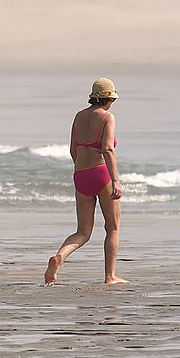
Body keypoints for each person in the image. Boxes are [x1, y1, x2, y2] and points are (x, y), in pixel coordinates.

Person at [45, 78, 127, 285]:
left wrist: (81, 169)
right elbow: (108, 149)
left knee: (82, 232)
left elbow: (73, 149)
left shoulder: (79, 116)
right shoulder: (108, 117)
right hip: (101, 174)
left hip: (80, 175)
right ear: (108, 98)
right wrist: (116, 180)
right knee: (113, 228)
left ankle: (60, 257)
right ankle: (110, 276)